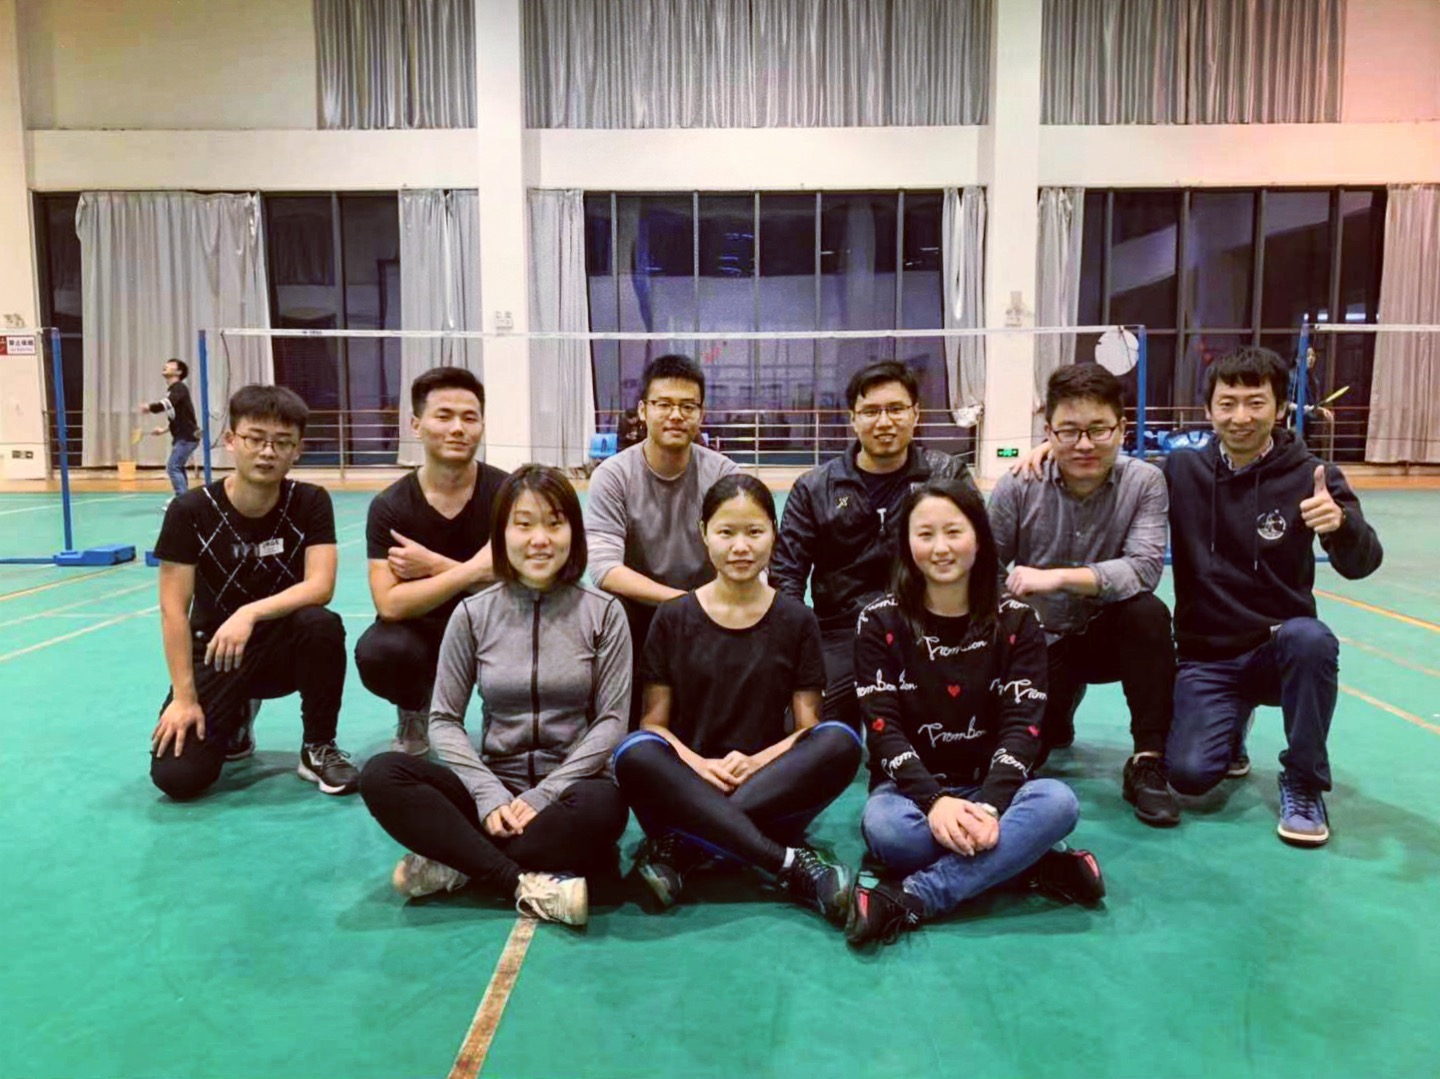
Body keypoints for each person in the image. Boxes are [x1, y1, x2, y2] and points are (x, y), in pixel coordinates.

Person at [358, 467, 631, 927]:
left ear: (574, 533)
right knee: (383, 774)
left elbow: (611, 721)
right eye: (524, 524)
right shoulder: (472, 613)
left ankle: (461, 863)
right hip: (493, 787)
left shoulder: (604, 613)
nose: (540, 539)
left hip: (570, 791)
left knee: (605, 809)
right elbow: (443, 719)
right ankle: (519, 879)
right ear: (501, 535)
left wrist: (546, 793)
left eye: (555, 523)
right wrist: (487, 794)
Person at [844, 478, 1104, 947]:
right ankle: (1032, 861)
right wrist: (935, 801)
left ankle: (915, 896)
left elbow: (1023, 727)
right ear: (906, 543)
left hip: (994, 789)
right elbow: (883, 730)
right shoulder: (878, 620)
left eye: (954, 531)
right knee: (890, 834)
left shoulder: (1019, 620)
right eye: (925, 534)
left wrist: (989, 806)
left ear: (979, 538)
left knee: (1059, 802)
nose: (940, 548)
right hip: (908, 795)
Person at [612, 474, 861, 922]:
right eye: (726, 532)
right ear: (704, 533)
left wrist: (756, 763)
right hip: (686, 783)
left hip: (766, 787)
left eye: (754, 532)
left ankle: (685, 848)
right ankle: (787, 864)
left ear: (774, 534)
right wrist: (699, 766)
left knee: (840, 739)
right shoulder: (672, 617)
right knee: (634, 752)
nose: (740, 547)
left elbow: (807, 729)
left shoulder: (797, 619)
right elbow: (654, 724)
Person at [1162, 348, 1381, 846]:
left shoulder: (1312, 476)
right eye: (1227, 403)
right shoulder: (1181, 471)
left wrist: (1342, 526)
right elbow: (1113, 480)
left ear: (1280, 408)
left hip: (1278, 652)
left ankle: (1304, 780)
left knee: (1311, 640)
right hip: (1207, 656)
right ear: (1208, 410)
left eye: (1255, 402)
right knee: (1189, 776)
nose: (1240, 417)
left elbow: (1363, 563)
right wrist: (1044, 453)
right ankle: (1230, 727)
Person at [987, 364, 1181, 827]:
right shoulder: (1018, 484)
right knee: (1038, 744)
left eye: (1098, 429)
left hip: (1106, 634)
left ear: (1121, 428)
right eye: (1069, 431)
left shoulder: (1144, 482)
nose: (1085, 444)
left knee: (1148, 614)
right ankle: (1058, 705)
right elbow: (985, 571)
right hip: (1037, 642)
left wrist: (1055, 578)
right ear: (1048, 431)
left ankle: (1148, 760)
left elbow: (1143, 569)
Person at [149, 384, 359, 800]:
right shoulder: (190, 511)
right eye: (255, 439)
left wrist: (249, 613)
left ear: (297, 450)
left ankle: (318, 746)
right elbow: (173, 610)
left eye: (282, 442)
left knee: (320, 624)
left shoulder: (310, 502)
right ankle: (236, 717)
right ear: (231, 440)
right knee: (179, 778)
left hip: (283, 645)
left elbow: (321, 586)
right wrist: (184, 698)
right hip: (216, 650)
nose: (267, 452)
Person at [771, 360, 980, 733]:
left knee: (960, 734)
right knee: (807, 735)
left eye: (896, 409)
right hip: (840, 633)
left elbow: (981, 557)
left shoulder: (947, 475)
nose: (884, 422)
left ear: (915, 414)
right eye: (871, 411)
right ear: (853, 419)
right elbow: (786, 574)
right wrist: (800, 648)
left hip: (927, 627)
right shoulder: (814, 487)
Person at [354, 367, 508, 754]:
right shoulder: (390, 506)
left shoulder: (508, 493)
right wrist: (477, 570)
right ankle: (414, 709)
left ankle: (508, 714)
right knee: (381, 651)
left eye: (469, 418)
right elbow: (390, 604)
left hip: (498, 624)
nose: (458, 428)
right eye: (444, 416)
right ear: (416, 425)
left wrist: (433, 564)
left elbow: (523, 582)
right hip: (423, 631)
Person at [586, 354, 737, 725]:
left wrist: (708, 604)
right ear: (643, 410)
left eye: (688, 406)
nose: (676, 415)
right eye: (664, 404)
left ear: (701, 414)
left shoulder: (724, 475)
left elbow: (747, 555)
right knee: (608, 612)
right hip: (639, 611)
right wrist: (681, 602)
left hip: (710, 610)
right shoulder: (613, 476)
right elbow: (604, 569)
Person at [137, 358, 201, 500]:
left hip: (187, 438)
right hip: (184, 437)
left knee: (173, 467)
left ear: (179, 372)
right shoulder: (173, 390)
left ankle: (182, 501)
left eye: (171, 365)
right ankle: (184, 499)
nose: (166, 365)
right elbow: (180, 418)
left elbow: (166, 404)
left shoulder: (179, 388)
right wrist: (164, 430)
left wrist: (150, 407)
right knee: (178, 467)